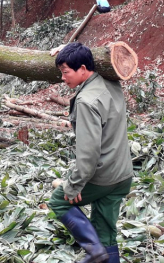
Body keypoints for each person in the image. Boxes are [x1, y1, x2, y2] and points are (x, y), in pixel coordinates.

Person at [47, 42, 133, 263]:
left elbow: (89, 154)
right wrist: (70, 49)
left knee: (59, 201)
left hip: (101, 176)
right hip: (122, 174)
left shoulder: (86, 102)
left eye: (66, 72)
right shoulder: (111, 82)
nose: (63, 78)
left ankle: (94, 252)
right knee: (106, 231)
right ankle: (102, 251)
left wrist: (74, 184)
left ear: (83, 69)